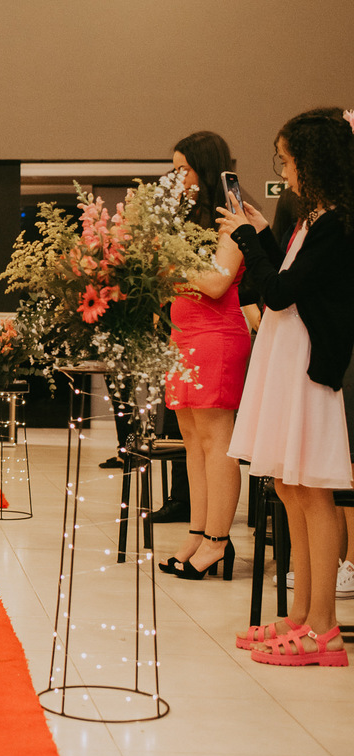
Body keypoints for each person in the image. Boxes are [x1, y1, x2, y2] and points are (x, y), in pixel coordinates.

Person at [220, 108, 354, 667]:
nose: (286, 170)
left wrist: (247, 240)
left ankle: (324, 627)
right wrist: (261, 235)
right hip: (286, 357)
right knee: (289, 486)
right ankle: (301, 615)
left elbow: (277, 294)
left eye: (288, 159)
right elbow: (285, 281)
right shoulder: (311, 220)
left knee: (311, 489)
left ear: (313, 161)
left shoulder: (336, 225)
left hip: (307, 365)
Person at [158, 132, 250, 581]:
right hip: (185, 335)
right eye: (174, 169)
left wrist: (170, 265)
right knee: (192, 442)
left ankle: (218, 540)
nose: (178, 178)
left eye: (185, 169)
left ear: (206, 169)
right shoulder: (187, 219)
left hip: (217, 336)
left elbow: (216, 283)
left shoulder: (231, 216)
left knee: (216, 442)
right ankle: (197, 532)